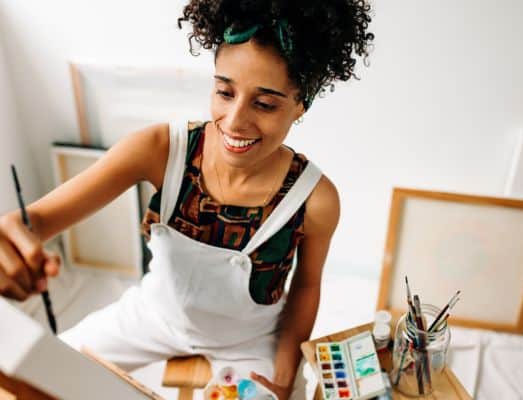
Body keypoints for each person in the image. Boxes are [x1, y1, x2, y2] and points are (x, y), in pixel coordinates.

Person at [0, 1, 374, 398]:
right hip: (152, 317)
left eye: (264, 104)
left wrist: (283, 378)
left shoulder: (315, 199)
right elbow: (36, 221)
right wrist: (12, 234)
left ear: (301, 105)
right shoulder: (159, 149)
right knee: (42, 379)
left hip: (248, 343)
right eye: (224, 91)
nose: (234, 121)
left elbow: (306, 287)